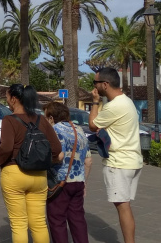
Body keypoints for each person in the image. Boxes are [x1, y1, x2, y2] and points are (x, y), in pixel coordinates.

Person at [0, 84, 63, 243]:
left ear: (14, 99)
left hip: (14, 173)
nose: (7, 100)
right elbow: (57, 149)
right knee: (38, 223)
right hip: (39, 177)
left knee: (19, 224)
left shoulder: (9, 120)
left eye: (7, 97)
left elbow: (6, 147)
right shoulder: (41, 119)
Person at [89, 67, 143, 243]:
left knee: (123, 207)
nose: (94, 86)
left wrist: (95, 102)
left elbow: (92, 125)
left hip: (119, 162)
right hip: (132, 160)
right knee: (125, 205)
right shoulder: (126, 101)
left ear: (105, 84)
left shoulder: (114, 106)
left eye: (95, 83)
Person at [44, 101, 91, 243]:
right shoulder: (79, 130)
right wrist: (84, 182)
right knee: (78, 220)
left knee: (57, 220)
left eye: (46, 117)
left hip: (60, 182)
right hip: (78, 181)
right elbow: (88, 161)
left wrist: (44, 162)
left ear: (51, 117)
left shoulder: (56, 130)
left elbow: (60, 156)